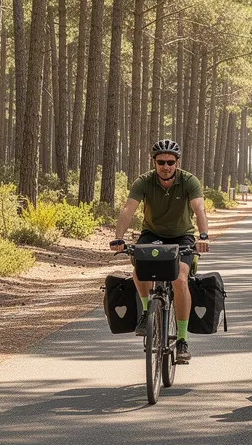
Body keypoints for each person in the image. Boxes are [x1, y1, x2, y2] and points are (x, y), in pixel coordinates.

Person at [110, 139, 210, 364]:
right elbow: (128, 209)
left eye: (170, 162)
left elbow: (199, 208)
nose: (166, 166)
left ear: (177, 162)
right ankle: (146, 312)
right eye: (161, 162)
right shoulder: (144, 182)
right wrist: (118, 237)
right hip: (152, 234)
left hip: (181, 236)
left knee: (180, 278)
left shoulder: (188, 181)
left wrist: (203, 236)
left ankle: (182, 339)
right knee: (139, 270)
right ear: (153, 162)